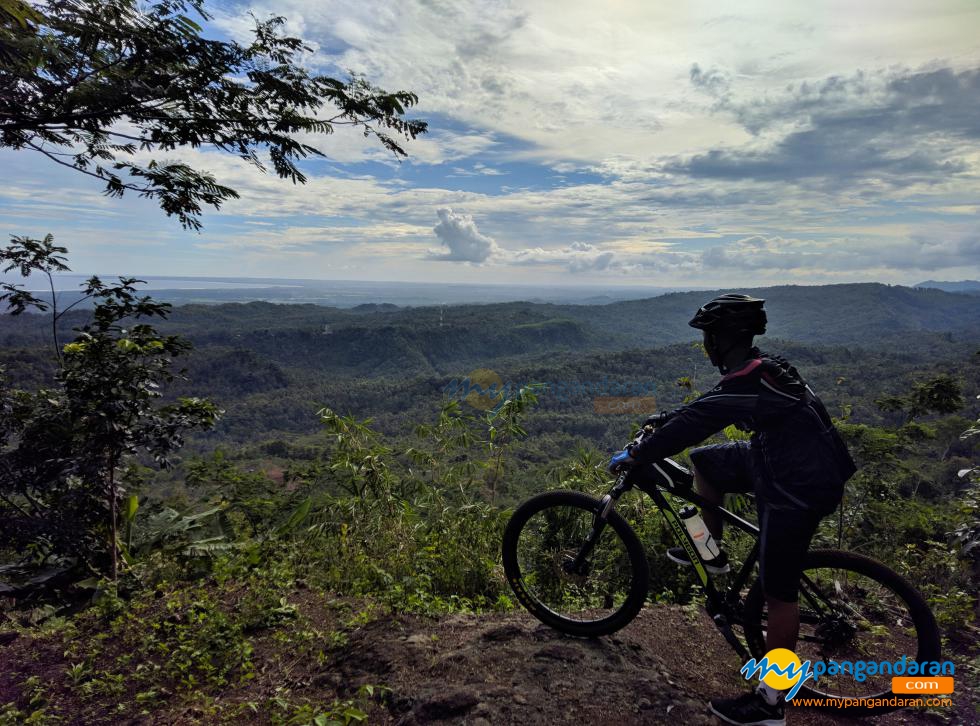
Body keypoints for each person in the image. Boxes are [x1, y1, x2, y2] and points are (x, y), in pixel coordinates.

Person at [607, 293, 856, 726]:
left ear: (723, 339)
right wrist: (663, 419)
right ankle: (711, 548)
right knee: (708, 462)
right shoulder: (760, 369)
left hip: (796, 484)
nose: (705, 345)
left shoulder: (751, 381)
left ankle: (770, 704)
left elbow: (696, 423)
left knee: (778, 593)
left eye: (708, 336)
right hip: (776, 458)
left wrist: (640, 454)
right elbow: (706, 406)